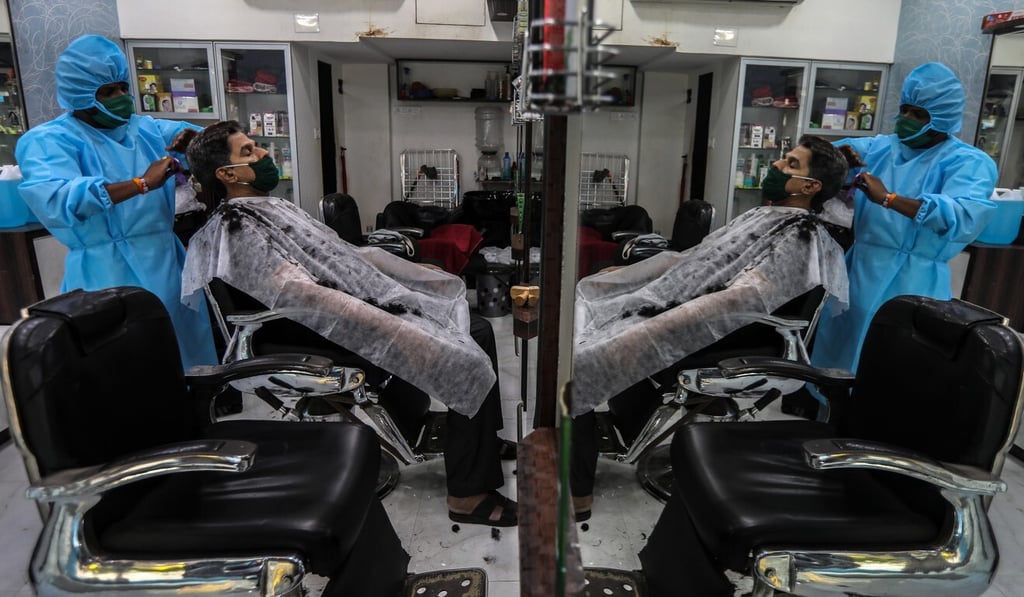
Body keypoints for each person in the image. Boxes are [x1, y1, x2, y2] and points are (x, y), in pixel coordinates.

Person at [183, 120, 516, 527]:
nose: (263, 153)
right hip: (320, 326)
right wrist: (382, 319)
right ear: (227, 174)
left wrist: (406, 277)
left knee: (475, 327)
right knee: (465, 353)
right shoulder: (235, 228)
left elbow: (341, 255)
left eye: (256, 145)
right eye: (249, 151)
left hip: (344, 307)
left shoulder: (272, 207)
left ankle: (482, 443)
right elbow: (296, 293)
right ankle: (468, 494)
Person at [570, 135, 851, 519]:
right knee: (590, 305)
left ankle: (577, 492)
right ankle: (613, 425)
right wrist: (634, 276)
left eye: (790, 164)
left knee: (583, 360)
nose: (776, 165)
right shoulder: (762, 215)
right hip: (693, 310)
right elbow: (696, 259)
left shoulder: (802, 236)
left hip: (722, 330)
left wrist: (664, 321)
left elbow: (746, 298)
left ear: (810, 186)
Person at [16, 35, 216, 369]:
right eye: (108, 92)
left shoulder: (144, 129)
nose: (121, 98)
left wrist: (201, 143)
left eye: (123, 88)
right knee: (126, 362)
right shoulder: (48, 141)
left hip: (167, 261)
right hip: (106, 271)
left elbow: (206, 140)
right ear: (80, 96)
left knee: (186, 355)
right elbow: (60, 200)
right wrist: (141, 184)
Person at [811, 62, 998, 375]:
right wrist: (830, 158)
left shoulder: (968, 163)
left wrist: (889, 199)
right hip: (859, 269)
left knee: (891, 363)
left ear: (942, 119)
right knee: (839, 357)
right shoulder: (883, 148)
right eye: (905, 110)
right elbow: (824, 154)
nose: (906, 119)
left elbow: (962, 216)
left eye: (919, 114)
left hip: (913, 279)